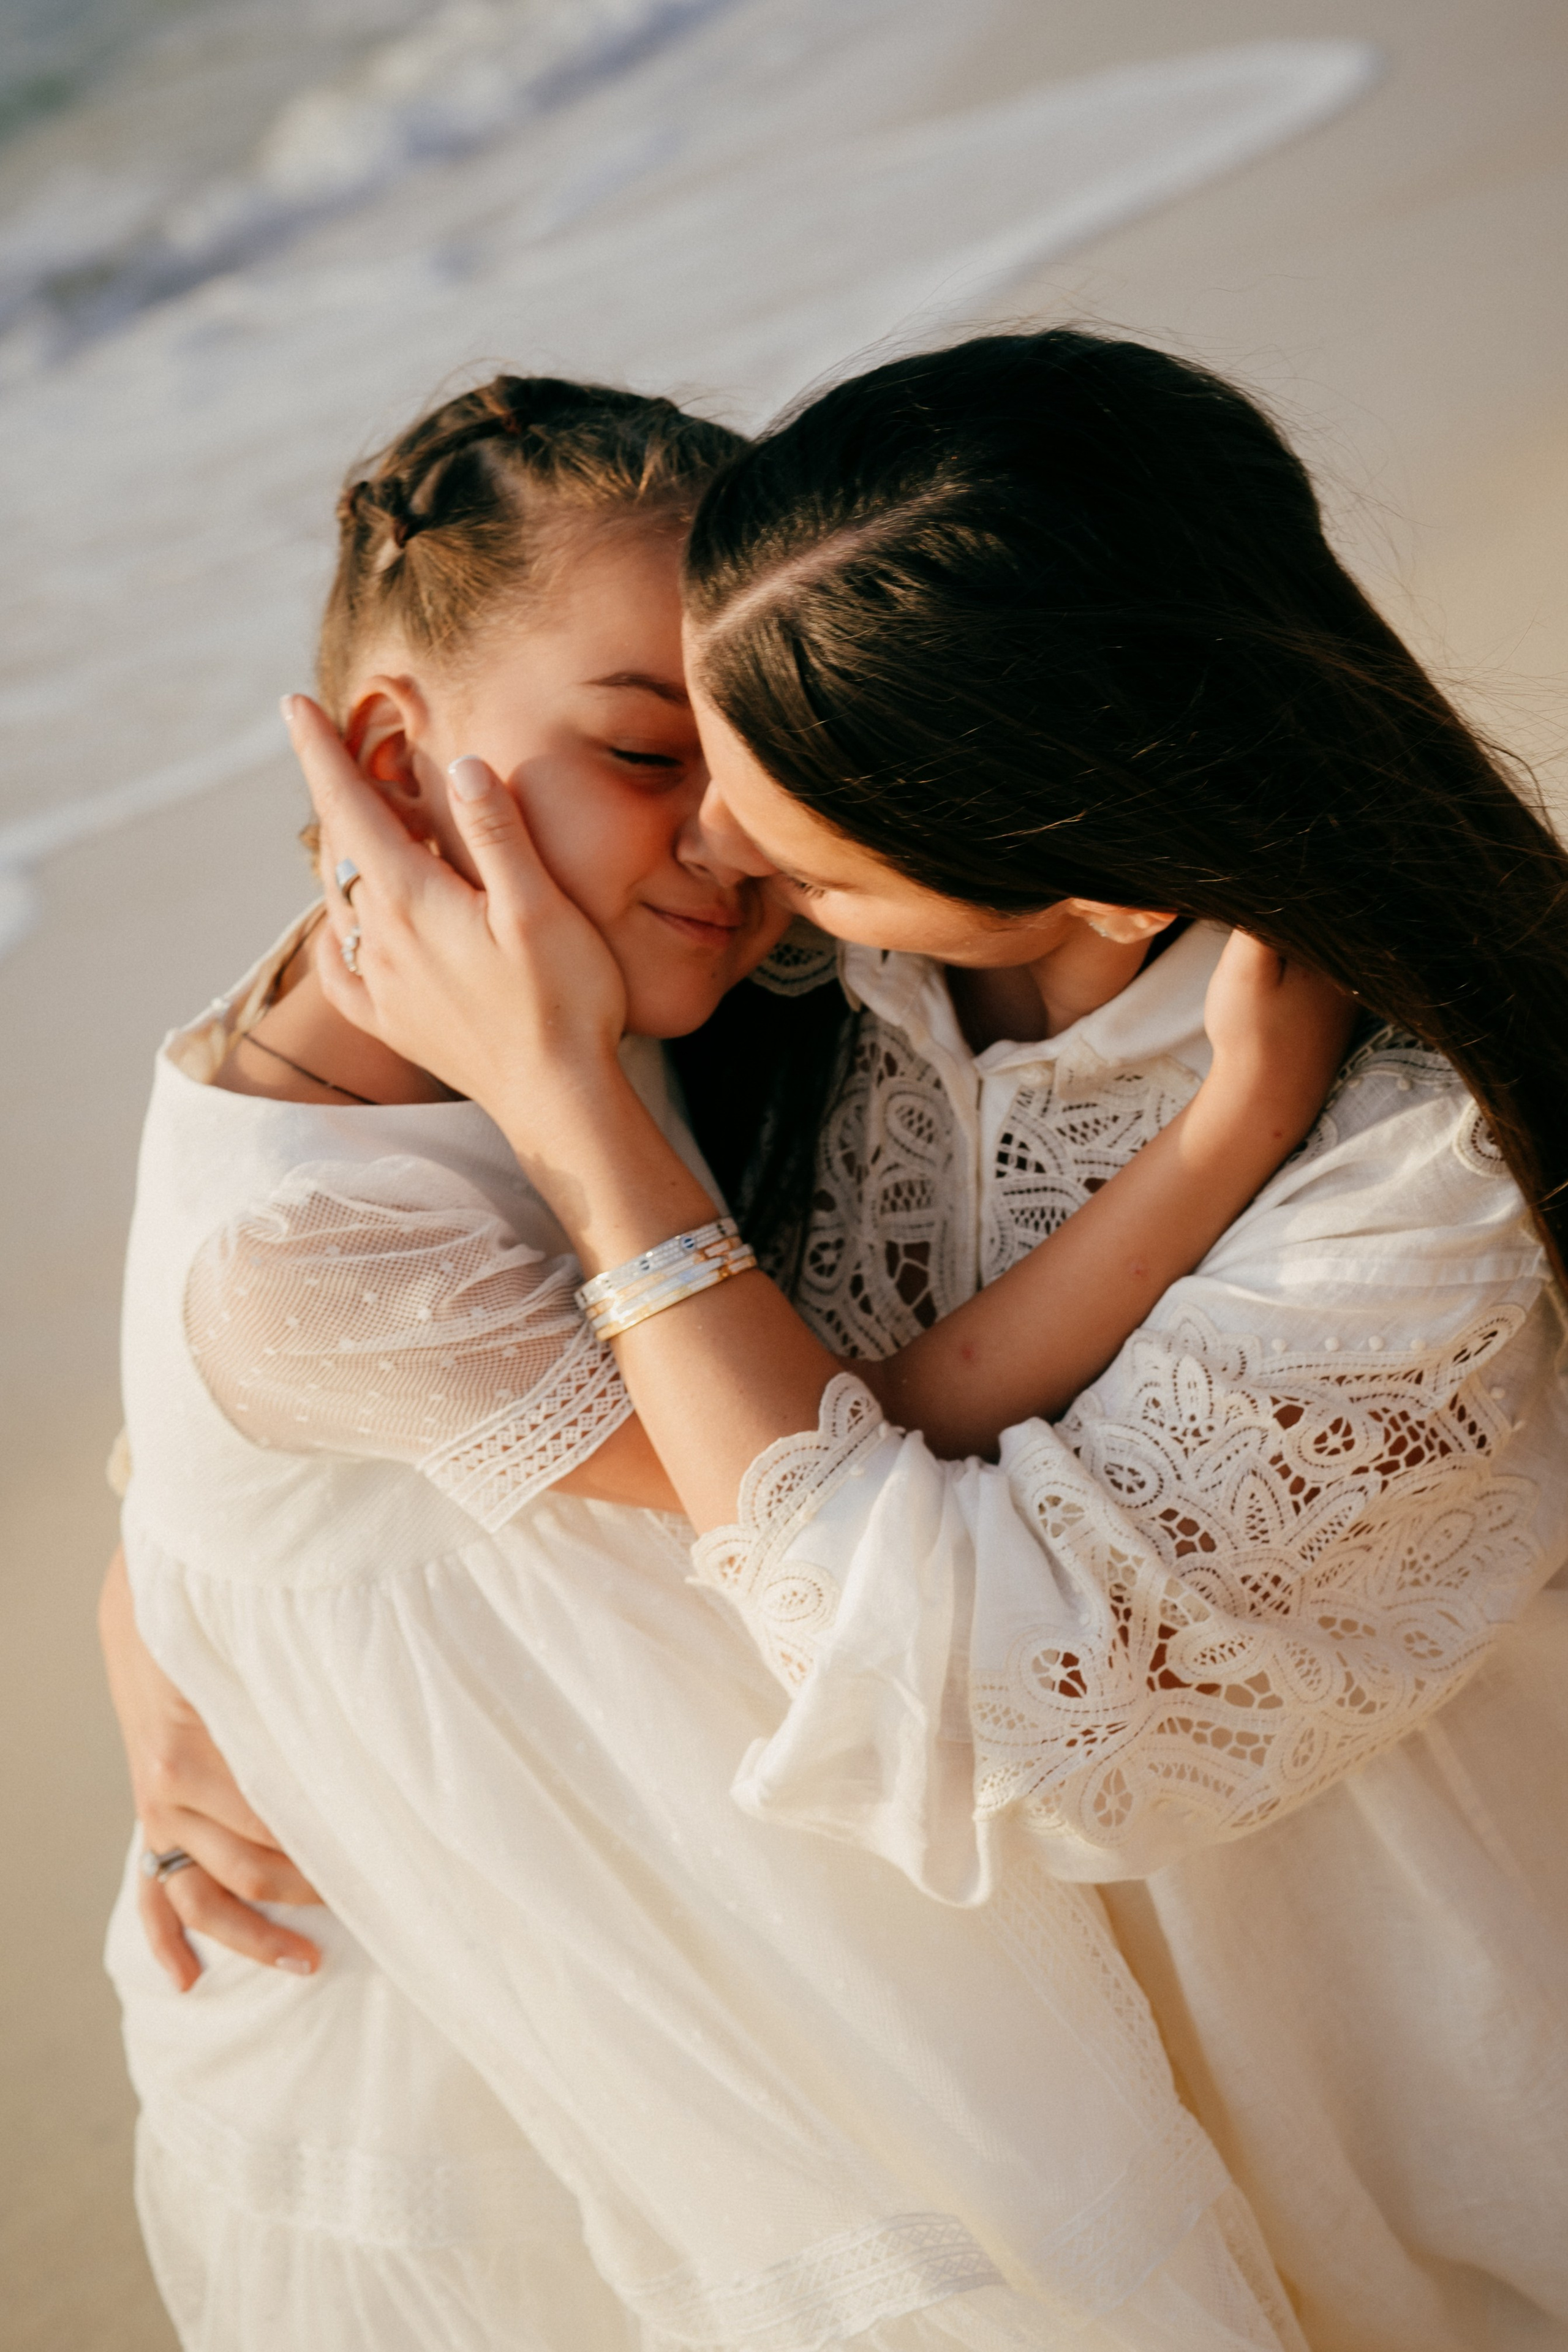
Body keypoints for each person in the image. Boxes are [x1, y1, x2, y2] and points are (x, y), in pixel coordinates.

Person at [295, 330, 1568, 2352]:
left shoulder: (1423, 1189)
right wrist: (178, 1574)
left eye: (795, 850)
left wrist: (587, 1127)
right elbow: (335, 1221)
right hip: (1005, 2126)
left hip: (1414, 2134)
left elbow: (1005, 1731)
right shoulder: (814, 985)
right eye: (693, 765)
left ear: (1089, 875)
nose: (713, 863)